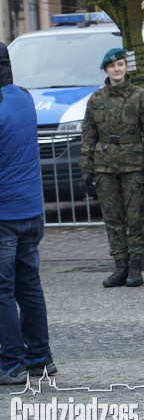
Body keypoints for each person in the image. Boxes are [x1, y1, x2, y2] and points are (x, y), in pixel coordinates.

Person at [0, 41, 56, 384]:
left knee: (2, 291)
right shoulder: (23, 96)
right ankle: (40, 357)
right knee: (29, 287)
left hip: (4, 215)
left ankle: (10, 363)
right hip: (31, 211)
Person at [80, 48, 144, 287]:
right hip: (105, 165)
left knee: (136, 219)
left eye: (121, 65)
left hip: (133, 165)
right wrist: (86, 168)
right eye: (112, 66)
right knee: (113, 220)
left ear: (126, 67)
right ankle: (120, 266)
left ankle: (136, 267)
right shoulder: (96, 99)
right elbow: (88, 135)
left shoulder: (140, 96)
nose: (117, 69)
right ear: (106, 70)